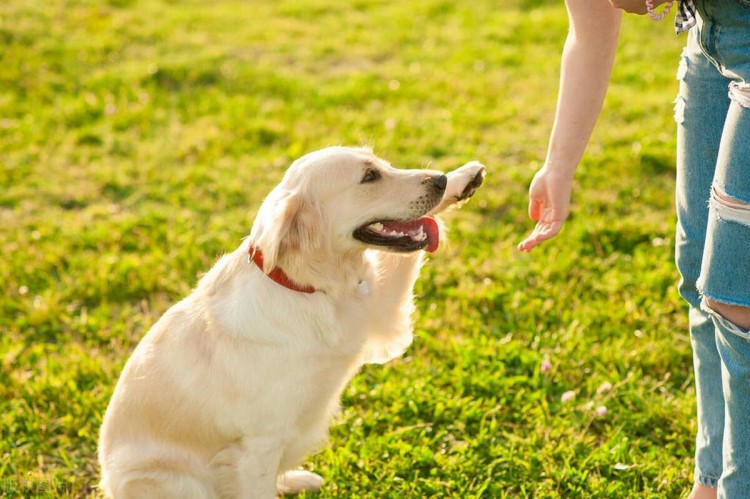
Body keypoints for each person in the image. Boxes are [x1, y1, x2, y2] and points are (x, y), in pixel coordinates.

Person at [517, 1, 750, 498]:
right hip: (710, 45)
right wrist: (558, 166)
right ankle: (708, 485)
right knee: (700, 279)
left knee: (737, 294)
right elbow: (589, 28)